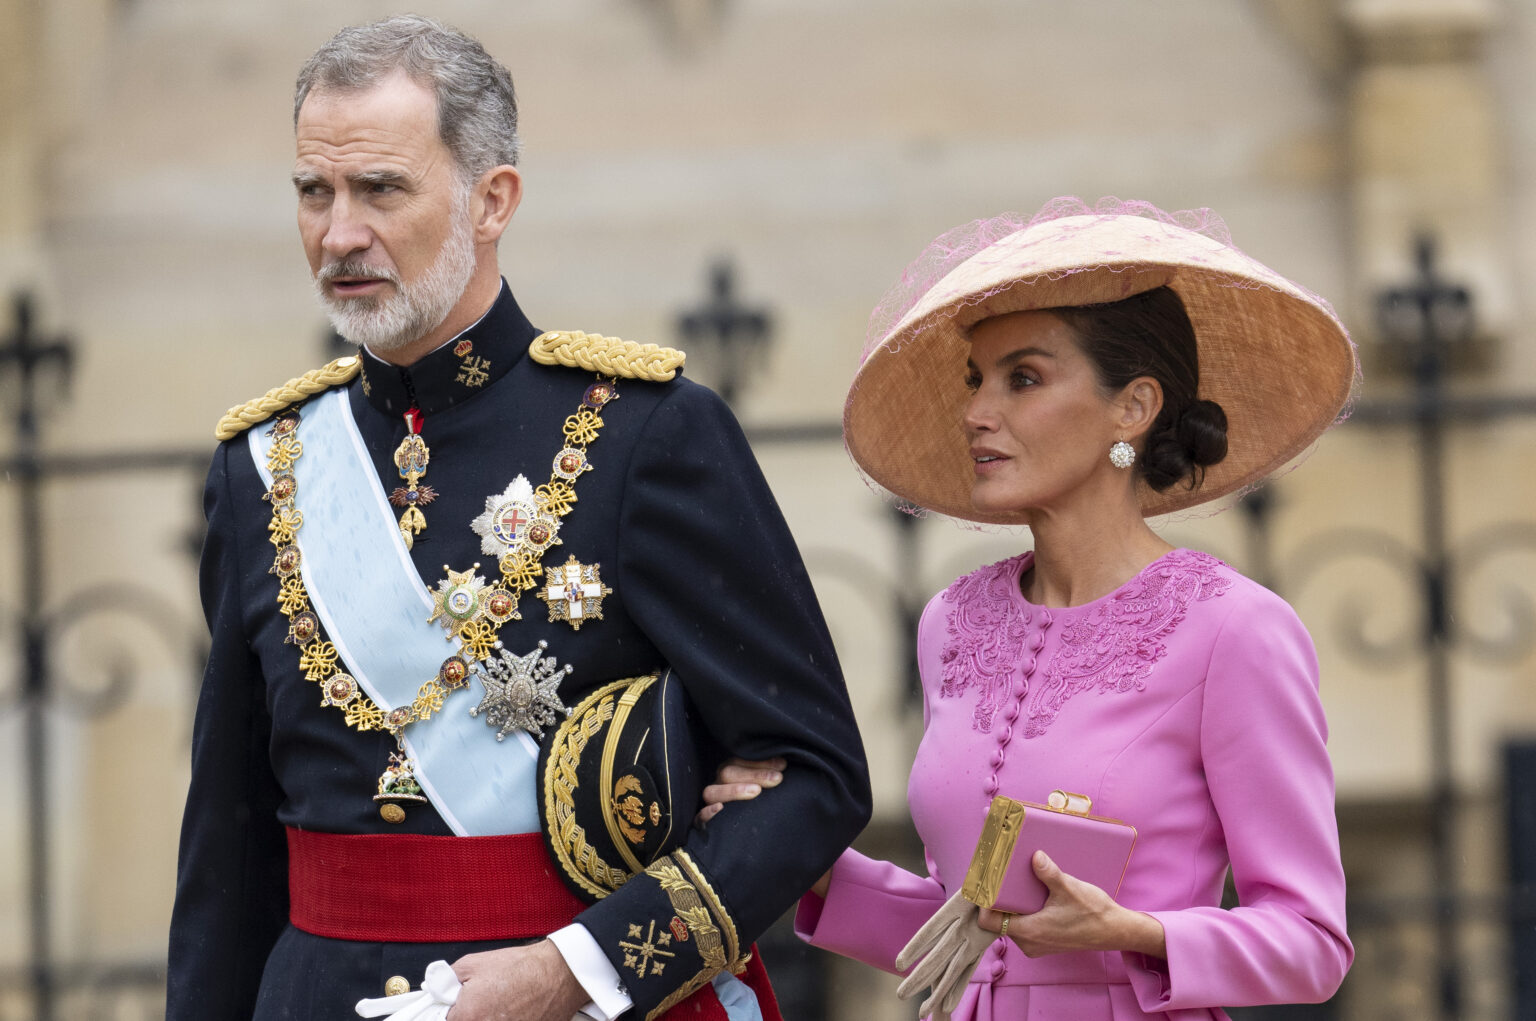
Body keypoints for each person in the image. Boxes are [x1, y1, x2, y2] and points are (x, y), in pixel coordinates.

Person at [166, 15, 871, 1021]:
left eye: (380, 189)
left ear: (491, 199)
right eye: (313, 193)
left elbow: (817, 778)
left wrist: (578, 968)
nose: (338, 234)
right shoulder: (264, 466)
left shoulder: (646, 433)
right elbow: (228, 847)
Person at [707, 198, 1356, 1019]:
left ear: (1134, 407)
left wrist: (1135, 930)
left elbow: (1312, 943)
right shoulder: (953, 620)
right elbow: (963, 929)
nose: (978, 411)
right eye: (975, 379)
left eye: (1024, 378)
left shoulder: (1234, 628)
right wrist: (814, 863)